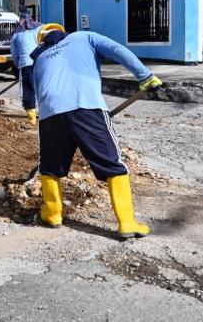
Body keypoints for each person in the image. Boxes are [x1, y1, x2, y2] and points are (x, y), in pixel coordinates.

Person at [30, 24, 162, 238]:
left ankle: (52, 214)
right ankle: (127, 223)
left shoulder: (40, 57)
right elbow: (118, 50)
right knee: (112, 163)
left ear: (41, 41)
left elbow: (38, 91)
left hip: (49, 116)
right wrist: (144, 76)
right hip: (86, 107)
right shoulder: (84, 36)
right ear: (62, 32)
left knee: (50, 167)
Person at [9, 13, 44, 125]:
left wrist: (18, 65)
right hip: (40, 61)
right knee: (41, 86)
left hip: (25, 63)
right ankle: (45, 113)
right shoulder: (39, 28)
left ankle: (31, 117)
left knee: (28, 88)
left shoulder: (16, 34)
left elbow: (14, 54)